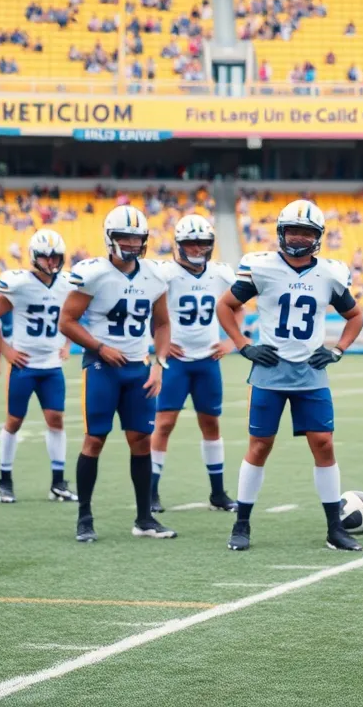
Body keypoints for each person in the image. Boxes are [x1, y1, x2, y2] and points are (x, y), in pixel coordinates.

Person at [216, 199, 363, 552]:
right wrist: (243, 345)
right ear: (281, 233)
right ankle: (242, 524)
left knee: (324, 444)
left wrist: (338, 349)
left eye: (306, 232)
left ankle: (334, 529)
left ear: (318, 237)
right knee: (259, 445)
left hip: (310, 373)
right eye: (293, 231)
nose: (299, 237)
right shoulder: (262, 267)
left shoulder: (329, 273)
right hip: (269, 371)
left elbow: (355, 316)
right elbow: (226, 306)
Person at [58, 208, 174, 543]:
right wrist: (99, 347)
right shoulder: (94, 273)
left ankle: (144, 519)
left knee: (141, 440)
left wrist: (159, 363)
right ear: (110, 238)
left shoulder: (155, 275)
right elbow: (66, 321)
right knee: (95, 439)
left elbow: (162, 323)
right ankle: (84, 518)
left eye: (137, 238)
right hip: (101, 367)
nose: (132, 243)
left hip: (138, 367)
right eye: (125, 237)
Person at [150, 215, 238, 514]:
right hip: (176, 361)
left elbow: (238, 307)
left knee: (211, 424)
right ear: (179, 244)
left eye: (203, 243)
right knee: (164, 423)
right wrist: (157, 343)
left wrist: (232, 340)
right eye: (191, 243)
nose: (198, 248)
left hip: (207, 361)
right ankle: (151, 491)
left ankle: (217, 493)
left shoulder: (220, 273)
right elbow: (144, 310)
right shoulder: (165, 273)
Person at [0, 230, 77, 503]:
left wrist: (67, 344)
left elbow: (74, 316)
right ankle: (5, 479)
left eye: (55, 256)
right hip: (24, 365)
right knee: (14, 421)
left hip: (52, 366)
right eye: (46, 257)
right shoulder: (20, 284)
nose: (51, 262)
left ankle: (58, 482)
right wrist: (5, 349)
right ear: (34, 257)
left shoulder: (67, 284)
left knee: (56, 419)